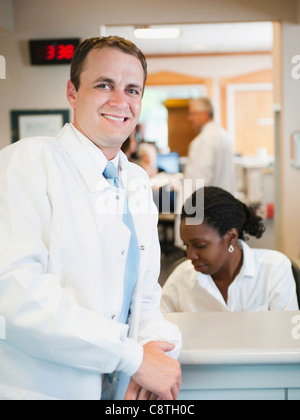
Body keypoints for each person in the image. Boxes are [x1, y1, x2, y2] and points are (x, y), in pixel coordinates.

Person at [0, 36, 182, 401]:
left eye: (133, 90)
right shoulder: (28, 162)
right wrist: (131, 357)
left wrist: (153, 352)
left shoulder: (134, 181)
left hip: (119, 393)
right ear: (72, 92)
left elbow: (145, 300)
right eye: (104, 85)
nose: (120, 101)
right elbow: (17, 296)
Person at [161, 187, 299, 313]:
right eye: (186, 245)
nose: (190, 255)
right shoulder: (181, 279)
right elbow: (157, 329)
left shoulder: (273, 270)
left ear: (231, 237)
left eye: (200, 245)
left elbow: (286, 335)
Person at [184, 98, 235, 194]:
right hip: (224, 201)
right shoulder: (224, 135)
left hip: (207, 205)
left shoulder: (204, 140)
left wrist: (192, 209)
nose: (189, 119)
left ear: (204, 114)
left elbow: (200, 182)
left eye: (192, 114)